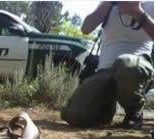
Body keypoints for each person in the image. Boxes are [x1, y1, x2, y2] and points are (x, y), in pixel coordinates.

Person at [61, 1, 154, 129]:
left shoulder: (151, 5)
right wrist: (107, 4)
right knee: (75, 116)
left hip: (137, 65)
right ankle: (106, 110)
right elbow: (85, 29)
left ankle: (134, 113)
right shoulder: (108, 4)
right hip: (105, 69)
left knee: (125, 63)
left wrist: (137, 12)